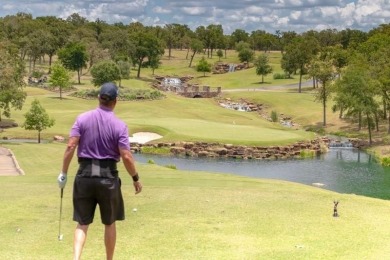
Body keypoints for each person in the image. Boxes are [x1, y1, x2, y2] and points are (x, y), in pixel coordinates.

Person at [57, 82, 142, 260]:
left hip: (85, 175)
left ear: (99, 98)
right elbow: (126, 156)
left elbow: (71, 145)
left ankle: (76, 259)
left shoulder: (82, 119)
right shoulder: (120, 126)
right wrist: (135, 178)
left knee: (82, 223)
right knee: (109, 223)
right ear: (115, 101)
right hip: (108, 177)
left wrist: (63, 173)